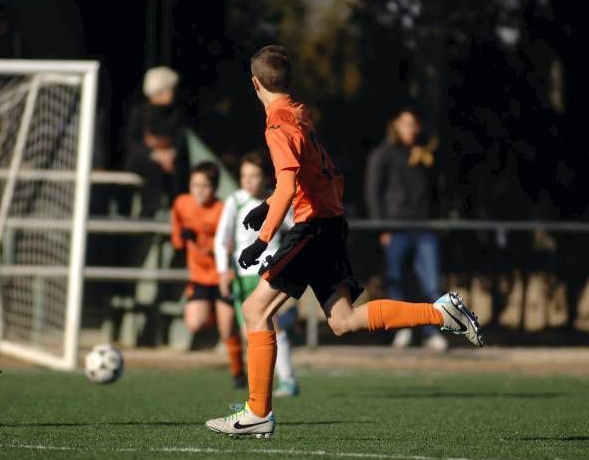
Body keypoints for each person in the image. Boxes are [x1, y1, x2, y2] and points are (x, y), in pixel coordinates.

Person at [205, 45, 483, 438]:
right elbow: (307, 178)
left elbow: (287, 186)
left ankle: (257, 412)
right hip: (330, 223)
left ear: (255, 85)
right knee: (343, 320)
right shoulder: (299, 114)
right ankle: (440, 313)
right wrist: (265, 204)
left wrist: (260, 238)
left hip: (314, 228)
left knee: (254, 311)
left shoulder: (278, 126)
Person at [214, 151, 299, 397]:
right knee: (250, 332)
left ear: (266, 178)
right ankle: (263, 387)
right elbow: (221, 240)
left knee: (270, 326)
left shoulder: (277, 200)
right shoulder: (235, 201)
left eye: (254, 176)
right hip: (243, 275)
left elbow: (295, 230)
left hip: (268, 273)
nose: (248, 181)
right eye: (244, 176)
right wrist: (223, 272)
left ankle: (288, 382)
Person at [366, 108, 446, 351]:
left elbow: (438, 191)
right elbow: (373, 191)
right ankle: (401, 331)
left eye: (414, 124)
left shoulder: (426, 154)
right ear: (396, 126)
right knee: (395, 281)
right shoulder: (383, 154)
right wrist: (382, 226)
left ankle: (432, 332)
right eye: (405, 124)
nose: (410, 129)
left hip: (424, 227)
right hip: (396, 227)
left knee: (431, 283)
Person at [171, 162, 242, 387]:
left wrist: (208, 244)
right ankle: (210, 312)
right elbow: (177, 239)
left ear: (215, 187)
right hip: (199, 276)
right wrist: (182, 237)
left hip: (222, 276)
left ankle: (238, 374)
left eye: (205, 186)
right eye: (195, 185)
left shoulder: (223, 209)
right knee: (195, 323)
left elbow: (230, 245)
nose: (199, 190)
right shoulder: (182, 204)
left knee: (228, 329)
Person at [124, 67, 189, 213]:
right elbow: (131, 143)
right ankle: (150, 211)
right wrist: (155, 155)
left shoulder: (176, 113)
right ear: (159, 90)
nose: (173, 92)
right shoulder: (139, 112)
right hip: (144, 160)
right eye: (170, 88)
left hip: (170, 161)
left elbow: (180, 140)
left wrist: (171, 154)